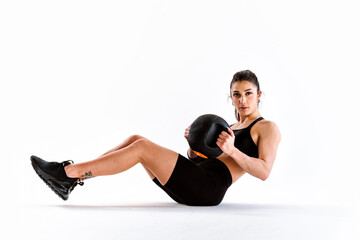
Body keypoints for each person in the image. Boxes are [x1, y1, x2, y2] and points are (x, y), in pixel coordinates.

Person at [30, 70, 281, 206]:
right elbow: (200, 159)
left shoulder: (267, 127)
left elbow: (264, 171)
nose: (243, 100)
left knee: (142, 148)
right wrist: (192, 148)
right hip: (196, 178)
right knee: (135, 138)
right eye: (236, 94)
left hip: (208, 188)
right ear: (231, 97)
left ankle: (67, 173)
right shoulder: (230, 125)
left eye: (248, 93)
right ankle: (74, 179)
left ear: (259, 95)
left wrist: (234, 150)